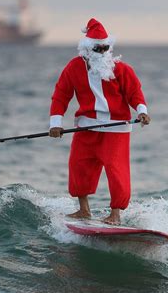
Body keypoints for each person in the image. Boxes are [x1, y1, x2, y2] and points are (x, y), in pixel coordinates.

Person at [49, 18, 150, 225]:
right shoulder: (74, 68)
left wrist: (141, 111)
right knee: (79, 166)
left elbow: (135, 92)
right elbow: (61, 95)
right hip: (87, 127)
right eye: (98, 48)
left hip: (116, 129)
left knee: (116, 170)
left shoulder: (120, 69)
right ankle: (84, 210)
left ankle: (115, 214)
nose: (103, 52)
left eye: (106, 48)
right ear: (87, 49)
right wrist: (55, 123)